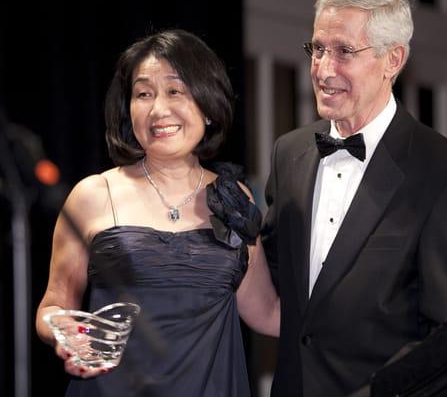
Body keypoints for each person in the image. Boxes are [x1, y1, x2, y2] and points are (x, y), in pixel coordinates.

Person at [260, 0, 447, 396]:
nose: (323, 68)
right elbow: (274, 285)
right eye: (317, 48)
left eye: (344, 51)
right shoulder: (290, 154)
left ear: (393, 59)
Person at [35, 29, 279, 397]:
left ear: (209, 105)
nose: (158, 109)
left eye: (175, 91)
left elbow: (266, 312)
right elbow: (53, 305)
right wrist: (67, 332)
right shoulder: (93, 195)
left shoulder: (234, 198)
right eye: (143, 94)